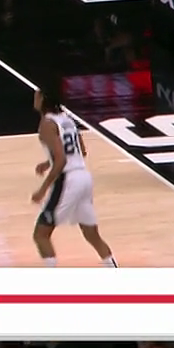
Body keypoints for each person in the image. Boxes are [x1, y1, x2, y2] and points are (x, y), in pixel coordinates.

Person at [30, 81, 118, 268]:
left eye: (36, 94)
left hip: (68, 179)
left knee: (41, 234)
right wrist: (48, 162)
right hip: (84, 178)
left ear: (43, 99)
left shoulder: (47, 124)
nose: (34, 98)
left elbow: (61, 160)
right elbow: (81, 151)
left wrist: (42, 189)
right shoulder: (67, 119)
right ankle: (113, 270)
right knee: (92, 234)